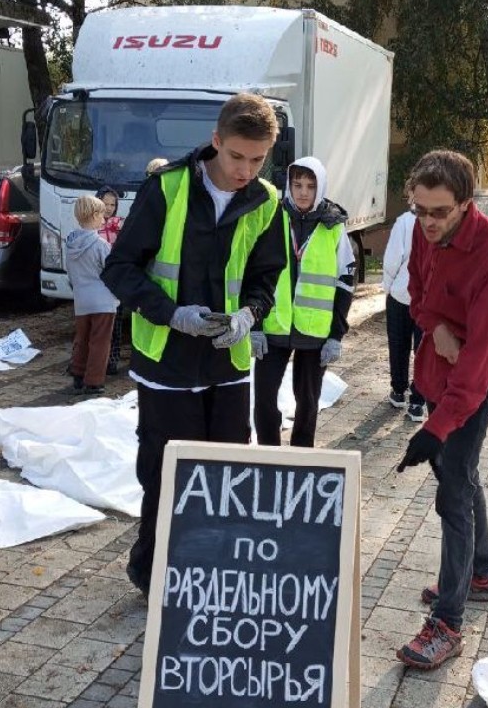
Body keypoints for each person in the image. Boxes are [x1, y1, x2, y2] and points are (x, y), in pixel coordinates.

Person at [101, 93, 287, 597]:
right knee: (165, 478)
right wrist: (171, 314)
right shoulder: (166, 189)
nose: (245, 170)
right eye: (236, 157)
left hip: (227, 365)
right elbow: (118, 269)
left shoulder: (268, 202)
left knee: (226, 478)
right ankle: (155, 578)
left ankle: (214, 573)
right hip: (167, 364)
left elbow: (266, 278)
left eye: (257, 159)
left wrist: (251, 314)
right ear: (215, 142)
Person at [394, 149, 488, 670]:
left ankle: (448, 621)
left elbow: (480, 360)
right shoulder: (423, 233)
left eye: (438, 212)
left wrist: (435, 429)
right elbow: (415, 293)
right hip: (440, 363)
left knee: (452, 491)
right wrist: (435, 326)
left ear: (466, 205)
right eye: (419, 209)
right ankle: (479, 576)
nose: (426, 222)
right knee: (461, 475)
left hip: (478, 374)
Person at [252, 157, 355, 448]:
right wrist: (255, 325)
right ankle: (269, 454)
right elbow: (255, 274)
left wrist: (336, 335)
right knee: (263, 399)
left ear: (320, 187)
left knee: (308, 402)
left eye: (310, 186)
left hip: (315, 332)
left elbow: (344, 283)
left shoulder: (333, 227)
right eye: (297, 185)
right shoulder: (272, 217)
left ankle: (301, 457)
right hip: (274, 326)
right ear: (288, 185)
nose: (303, 192)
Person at [66, 195, 120, 396]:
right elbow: (110, 273)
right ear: (95, 215)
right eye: (102, 214)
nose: (105, 218)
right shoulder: (100, 245)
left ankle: (78, 375)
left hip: (81, 300)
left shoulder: (70, 244)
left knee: (82, 338)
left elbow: (70, 273)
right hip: (103, 301)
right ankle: (94, 381)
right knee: (100, 341)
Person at [382, 206, 426, 422]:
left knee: (398, 343)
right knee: (423, 350)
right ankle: (418, 401)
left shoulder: (404, 222)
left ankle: (399, 391)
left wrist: (388, 287)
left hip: (401, 292)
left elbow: (392, 259)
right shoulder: (443, 221)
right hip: (427, 298)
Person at [96, 186, 128, 376]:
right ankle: (96, 361)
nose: (108, 208)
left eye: (112, 204)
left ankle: (112, 361)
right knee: (99, 325)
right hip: (98, 281)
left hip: (116, 281)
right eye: (105, 203)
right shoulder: (91, 225)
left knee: (116, 325)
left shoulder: (120, 224)